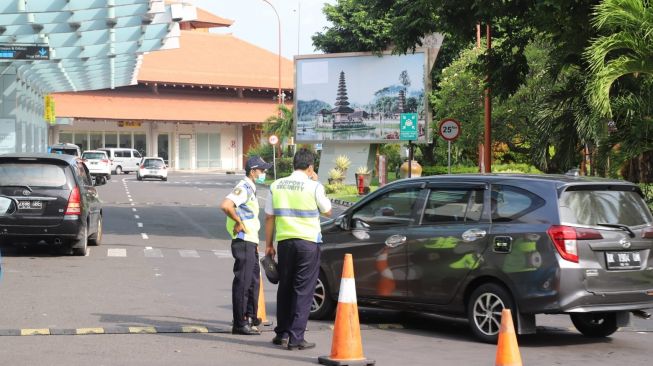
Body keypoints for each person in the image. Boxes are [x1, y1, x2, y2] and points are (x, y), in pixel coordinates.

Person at [264, 148, 332, 350]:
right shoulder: (314, 186)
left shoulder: (276, 185)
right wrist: (317, 183)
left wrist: (269, 245)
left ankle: (282, 333)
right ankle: (296, 338)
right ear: (310, 167)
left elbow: (269, 217)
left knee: (285, 287)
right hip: (307, 243)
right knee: (303, 290)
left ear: (294, 164)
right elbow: (328, 211)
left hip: (285, 243)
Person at [220, 156, 272, 335]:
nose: (264, 173)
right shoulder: (243, 187)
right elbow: (226, 205)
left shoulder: (250, 188)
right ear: (252, 171)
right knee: (243, 282)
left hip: (250, 240)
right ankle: (240, 322)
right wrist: (238, 221)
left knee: (252, 280)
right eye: (262, 170)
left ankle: (250, 316)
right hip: (243, 240)